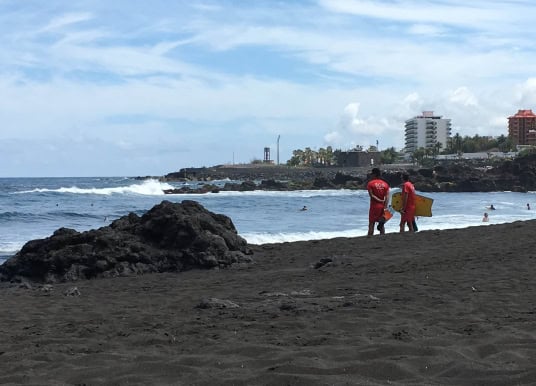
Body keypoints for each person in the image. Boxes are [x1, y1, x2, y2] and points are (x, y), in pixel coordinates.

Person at [367, 168, 390, 236]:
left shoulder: (370, 184)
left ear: (374, 174)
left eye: (371, 174)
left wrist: (379, 200)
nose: (371, 176)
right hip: (382, 206)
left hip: (374, 206)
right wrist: (385, 207)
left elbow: (372, 196)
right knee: (381, 224)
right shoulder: (385, 184)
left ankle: (370, 238)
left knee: (371, 224)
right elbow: (387, 197)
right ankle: (382, 237)